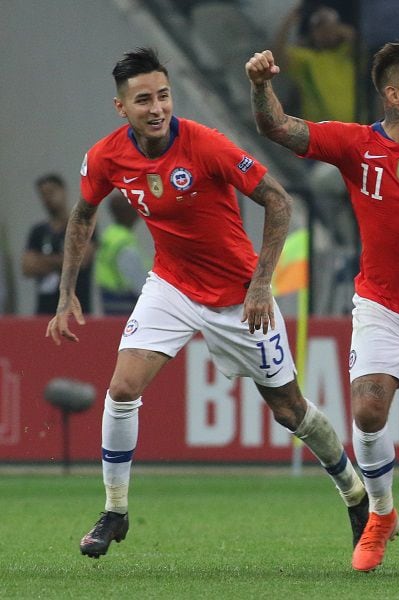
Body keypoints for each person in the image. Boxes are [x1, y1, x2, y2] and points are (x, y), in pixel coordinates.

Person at [46, 47, 368, 561]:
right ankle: (115, 510)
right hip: (171, 284)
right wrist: (66, 294)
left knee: (290, 410)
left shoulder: (207, 145)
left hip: (238, 296)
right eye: (144, 99)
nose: (157, 108)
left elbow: (279, 201)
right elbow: (83, 216)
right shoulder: (106, 156)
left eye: (164, 96)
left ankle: (354, 493)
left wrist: (262, 286)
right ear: (121, 107)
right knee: (122, 387)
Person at [245, 37, 399, 576]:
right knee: (367, 409)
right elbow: (279, 128)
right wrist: (262, 86)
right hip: (382, 305)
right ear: (394, 94)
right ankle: (380, 513)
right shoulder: (356, 144)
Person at [23, 174, 96, 315]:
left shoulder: (81, 225)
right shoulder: (38, 232)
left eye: (51, 192)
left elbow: (81, 260)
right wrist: (64, 259)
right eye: (43, 194)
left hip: (77, 308)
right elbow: (27, 267)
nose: (47, 198)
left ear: (63, 191)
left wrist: (43, 261)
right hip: (45, 310)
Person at [95, 190, 149, 315]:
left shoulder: (110, 234)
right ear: (125, 212)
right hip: (124, 303)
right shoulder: (123, 242)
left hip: (109, 299)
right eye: (134, 207)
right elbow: (137, 281)